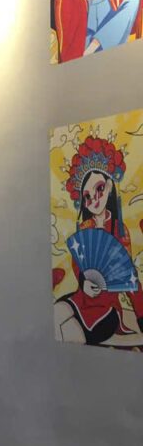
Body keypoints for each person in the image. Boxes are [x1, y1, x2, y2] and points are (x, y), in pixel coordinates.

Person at [54, 133, 143, 346]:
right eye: (87, 196)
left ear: (109, 186)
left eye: (99, 189)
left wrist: (141, 316)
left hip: (107, 309)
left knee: (71, 334)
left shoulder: (120, 231)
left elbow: (128, 275)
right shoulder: (85, 228)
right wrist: (84, 282)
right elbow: (78, 266)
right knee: (56, 314)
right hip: (81, 298)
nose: (93, 198)